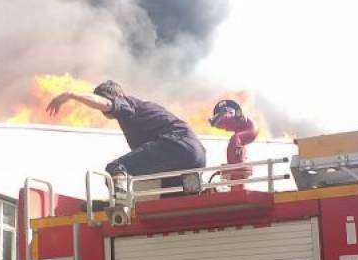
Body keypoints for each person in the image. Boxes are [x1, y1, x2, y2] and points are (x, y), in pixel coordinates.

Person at [47, 81, 206, 193]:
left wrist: (71, 95)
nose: (103, 111)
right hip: (195, 156)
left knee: (117, 168)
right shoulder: (142, 110)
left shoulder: (127, 103)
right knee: (167, 196)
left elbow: (107, 104)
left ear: (116, 96)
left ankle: (121, 198)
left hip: (176, 145)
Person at [208, 99, 258, 182]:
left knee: (235, 139)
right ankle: (235, 163)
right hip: (247, 132)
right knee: (235, 140)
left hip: (250, 131)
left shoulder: (240, 122)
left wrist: (218, 118)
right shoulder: (237, 126)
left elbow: (216, 122)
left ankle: (235, 163)